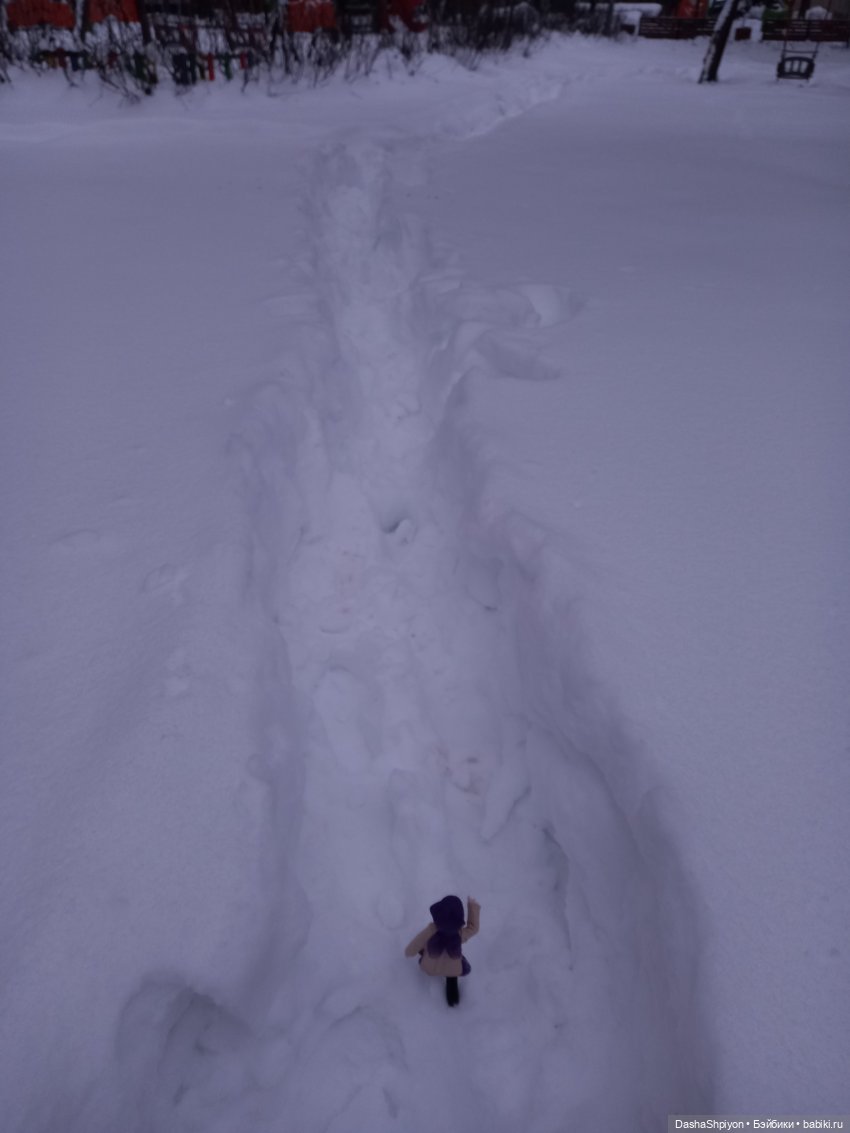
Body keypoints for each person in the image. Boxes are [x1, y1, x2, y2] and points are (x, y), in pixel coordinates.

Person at [404, 894, 481, 1006]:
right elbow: (473, 928)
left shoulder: (431, 930)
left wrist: (409, 952)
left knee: (425, 949)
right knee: (453, 976)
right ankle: (453, 1001)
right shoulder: (459, 934)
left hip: (429, 967)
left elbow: (417, 943)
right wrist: (472, 905)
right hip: (452, 970)